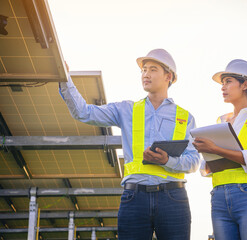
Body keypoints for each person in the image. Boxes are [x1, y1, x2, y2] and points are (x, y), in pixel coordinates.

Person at [59, 49, 200, 240]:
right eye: (143, 70)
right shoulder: (126, 109)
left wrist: (168, 160)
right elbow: (83, 113)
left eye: (152, 69)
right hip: (134, 199)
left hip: (173, 198)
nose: (145, 74)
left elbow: (194, 162)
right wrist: (64, 79)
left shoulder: (185, 117)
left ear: (169, 76)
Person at [193, 59, 247, 240]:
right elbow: (206, 169)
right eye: (222, 83)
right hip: (219, 197)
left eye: (228, 81)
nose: (223, 87)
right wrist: (206, 152)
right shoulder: (220, 122)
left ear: (245, 84)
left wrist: (215, 149)